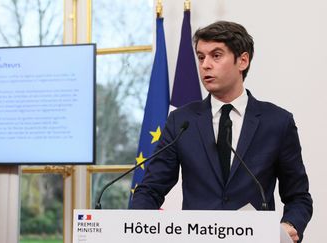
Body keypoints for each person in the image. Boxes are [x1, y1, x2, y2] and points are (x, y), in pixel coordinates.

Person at [130, 21, 313, 242]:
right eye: (200, 57)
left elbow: (298, 197)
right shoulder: (181, 121)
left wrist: (290, 225)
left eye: (216, 56)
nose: (205, 65)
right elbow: (149, 190)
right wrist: (141, 227)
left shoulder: (277, 122)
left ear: (242, 60)